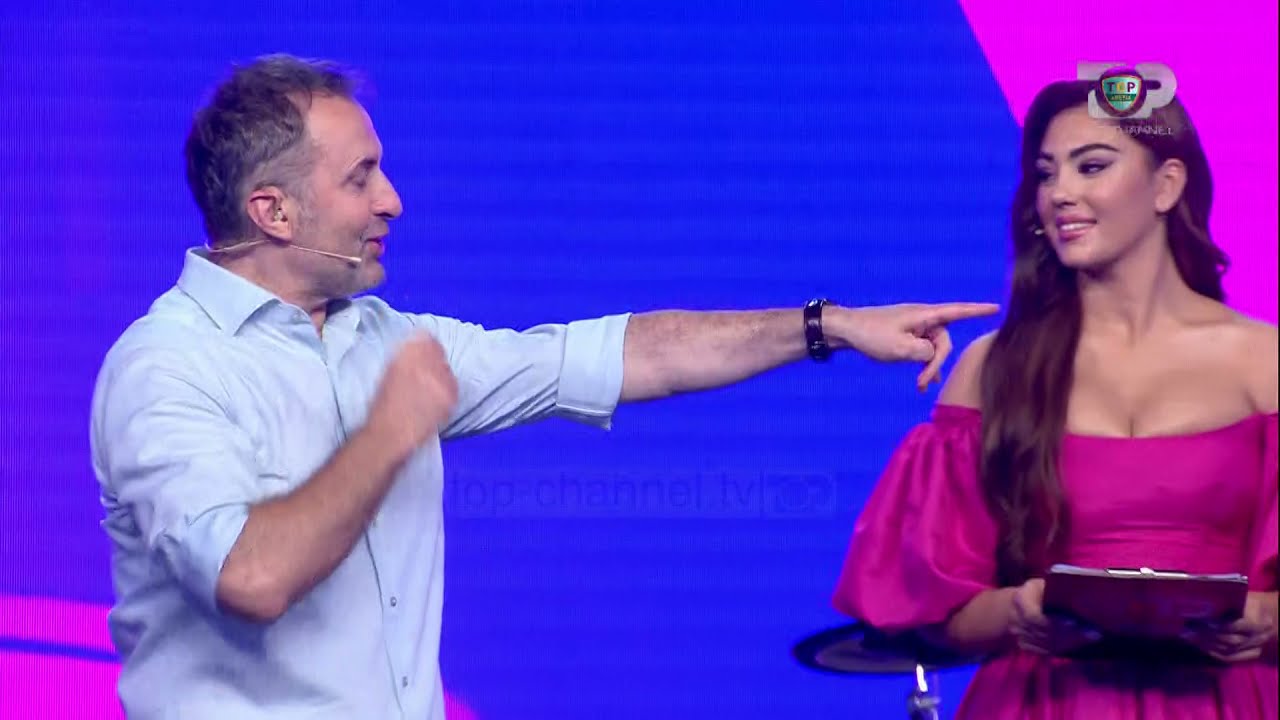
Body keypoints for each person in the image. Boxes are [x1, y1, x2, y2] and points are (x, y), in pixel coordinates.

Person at [88, 54, 997, 720]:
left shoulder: (385, 338)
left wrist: (825, 326)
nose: (393, 200)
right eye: (360, 178)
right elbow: (248, 577)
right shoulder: (167, 367)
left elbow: (622, 357)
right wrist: (388, 432)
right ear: (273, 211)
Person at [831, 78, 1278, 719]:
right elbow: (932, 610)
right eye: (1046, 174)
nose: (1059, 193)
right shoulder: (995, 368)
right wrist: (1016, 611)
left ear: (1166, 185)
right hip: (1045, 702)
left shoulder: (1266, 364)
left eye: (1090, 166)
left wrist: (1267, 618)